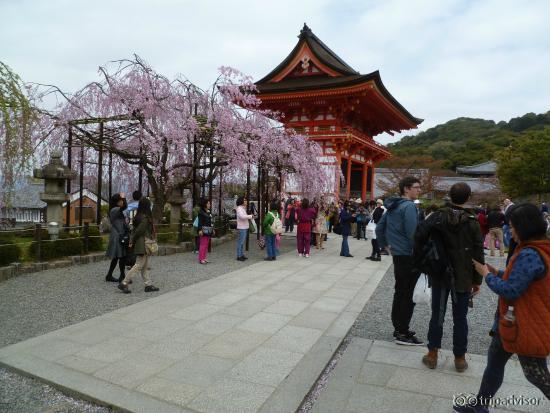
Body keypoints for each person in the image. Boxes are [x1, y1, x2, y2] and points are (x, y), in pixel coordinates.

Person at [454, 203, 550, 412]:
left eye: (513, 227)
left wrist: (487, 275)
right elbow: (521, 280)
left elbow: (511, 290)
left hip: (524, 324)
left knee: (537, 375)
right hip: (510, 322)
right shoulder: (541, 248)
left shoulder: (530, 254)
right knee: (494, 364)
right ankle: (480, 406)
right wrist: (496, 271)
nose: (510, 231)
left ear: (524, 227)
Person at [418, 183, 484, 373]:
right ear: (468, 197)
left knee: (437, 316)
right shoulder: (472, 221)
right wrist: (477, 280)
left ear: (449, 195)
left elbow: (421, 238)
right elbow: (478, 252)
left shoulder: (437, 216)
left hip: (440, 274)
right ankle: (460, 358)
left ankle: (432, 354)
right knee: (460, 318)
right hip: (463, 275)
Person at [376, 176, 423, 346]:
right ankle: (402, 332)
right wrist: (419, 253)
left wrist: (385, 246)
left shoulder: (393, 206)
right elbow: (413, 234)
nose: (419, 190)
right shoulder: (409, 207)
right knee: (408, 294)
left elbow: (380, 228)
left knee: (400, 291)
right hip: (409, 255)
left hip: (398, 255)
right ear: (406, 189)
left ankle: (398, 328)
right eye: (416, 187)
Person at [118, 198, 159, 293]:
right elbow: (140, 230)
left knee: (144, 265)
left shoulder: (138, 216)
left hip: (141, 243)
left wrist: (132, 240)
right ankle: (124, 283)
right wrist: (133, 239)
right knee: (139, 265)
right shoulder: (145, 218)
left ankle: (148, 284)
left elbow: (134, 230)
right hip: (143, 244)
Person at [105, 193, 129, 282]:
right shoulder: (115, 210)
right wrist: (123, 196)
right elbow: (125, 206)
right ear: (117, 202)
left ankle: (109, 275)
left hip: (118, 235)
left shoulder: (115, 210)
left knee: (117, 257)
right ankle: (122, 277)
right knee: (121, 256)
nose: (122, 202)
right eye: (120, 200)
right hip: (117, 236)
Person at [235, 196, 253, 261]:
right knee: (240, 242)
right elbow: (242, 217)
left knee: (242, 242)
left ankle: (241, 254)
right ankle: (239, 256)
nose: (246, 201)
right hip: (241, 228)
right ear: (241, 201)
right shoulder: (239, 208)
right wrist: (250, 216)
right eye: (244, 200)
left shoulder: (242, 208)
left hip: (244, 227)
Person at [197, 198, 213, 265]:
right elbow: (200, 222)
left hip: (208, 230)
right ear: (205, 204)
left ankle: (204, 258)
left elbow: (211, 222)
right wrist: (200, 230)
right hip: (203, 230)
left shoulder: (208, 212)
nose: (209, 205)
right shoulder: (201, 212)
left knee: (206, 245)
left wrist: (213, 229)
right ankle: (201, 259)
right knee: (203, 245)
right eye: (208, 203)